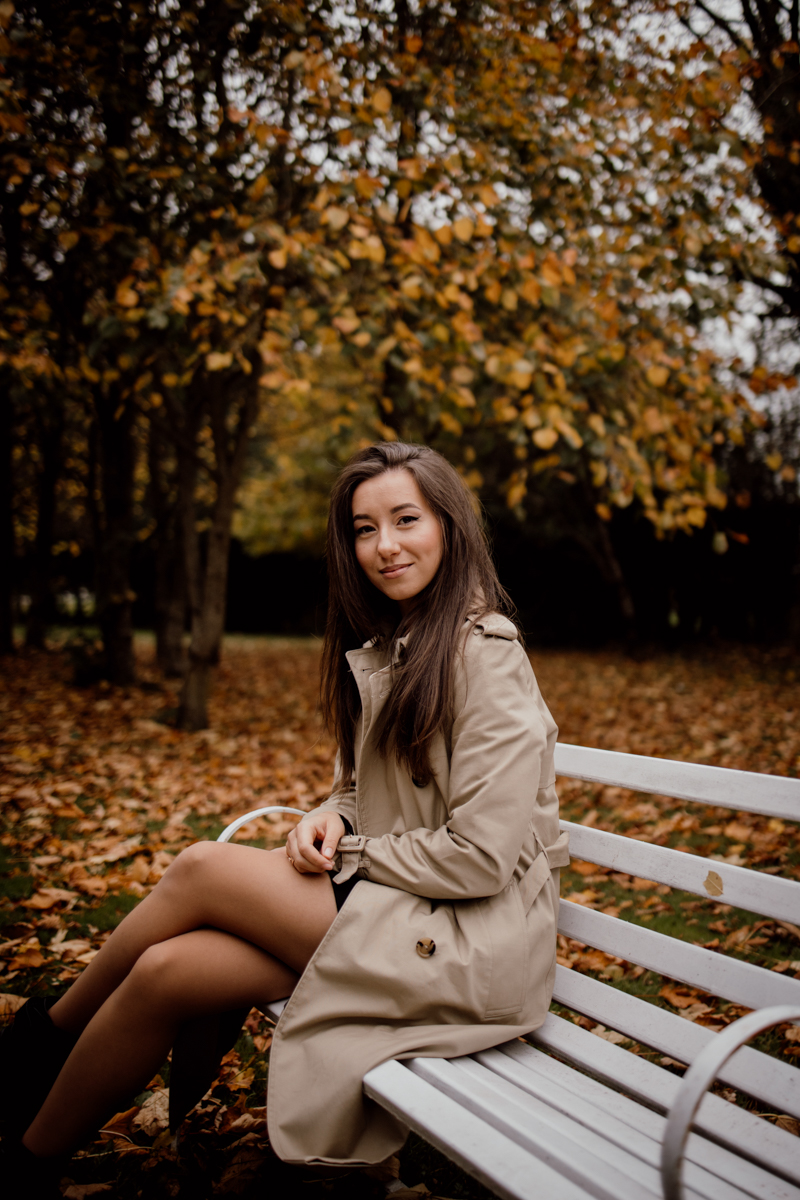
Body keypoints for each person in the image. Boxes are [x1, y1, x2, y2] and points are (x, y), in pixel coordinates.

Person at [1, 441, 567, 1191]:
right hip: (409, 912)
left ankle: (34, 1049)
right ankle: (29, 1162)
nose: (384, 545)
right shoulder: (400, 646)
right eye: (364, 528)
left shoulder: (486, 655)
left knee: (202, 867)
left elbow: (481, 857)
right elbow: (364, 791)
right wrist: (327, 817)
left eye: (406, 519)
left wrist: (354, 853)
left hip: (473, 943)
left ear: (451, 527)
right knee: (169, 970)